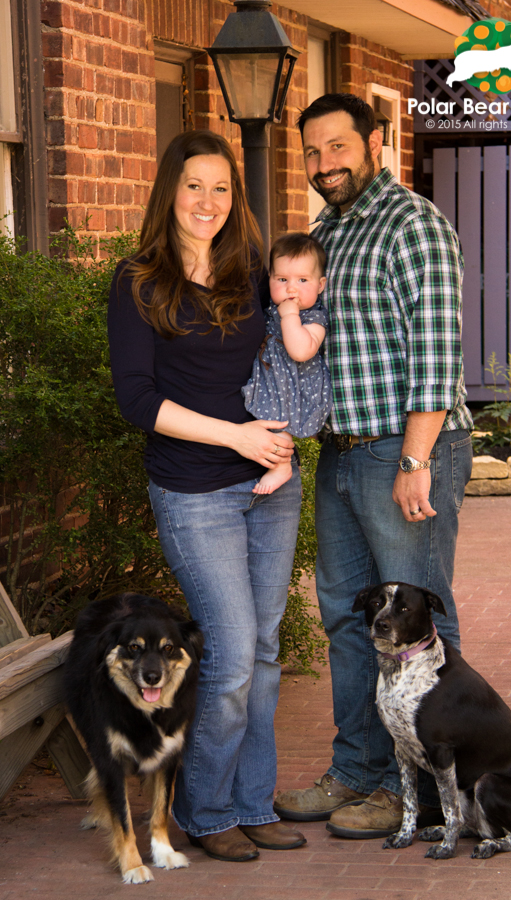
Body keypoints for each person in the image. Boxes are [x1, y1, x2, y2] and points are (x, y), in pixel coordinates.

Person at [273, 94, 473, 839]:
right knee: (350, 620)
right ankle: (356, 770)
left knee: (418, 622)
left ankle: (411, 788)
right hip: (345, 451)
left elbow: (436, 349)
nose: (325, 164)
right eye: (313, 153)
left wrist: (417, 458)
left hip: (408, 448)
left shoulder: (413, 224)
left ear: (377, 142)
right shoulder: (325, 231)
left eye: (337, 147)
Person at [108, 129, 306, 862]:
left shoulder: (250, 271)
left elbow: (289, 349)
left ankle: (253, 801)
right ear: (171, 190)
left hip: (270, 484)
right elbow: (137, 399)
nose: (209, 201)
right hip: (195, 491)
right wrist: (237, 436)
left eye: (222, 187)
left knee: (262, 649)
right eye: (195, 185)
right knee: (226, 657)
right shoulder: (139, 282)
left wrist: (288, 426)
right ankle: (204, 808)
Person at [242, 231, 332, 494]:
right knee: (267, 416)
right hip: (272, 378)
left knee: (278, 419)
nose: (291, 288)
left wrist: (290, 315)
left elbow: (301, 351)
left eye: (303, 280)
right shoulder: (271, 306)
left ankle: (282, 465)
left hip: (296, 386)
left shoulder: (314, 317)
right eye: (282, 279)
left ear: (320, 285)